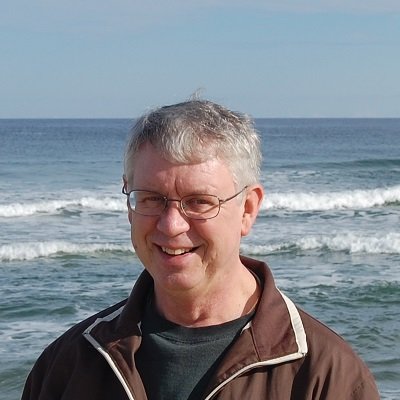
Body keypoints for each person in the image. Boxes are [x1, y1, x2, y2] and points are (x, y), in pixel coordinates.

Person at [22, 99, 380, 400]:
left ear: (248, 209)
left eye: (198, 202)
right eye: (151, 199)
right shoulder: (69, 364)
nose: (171, 225)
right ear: (129, 202)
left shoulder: (323, 375)